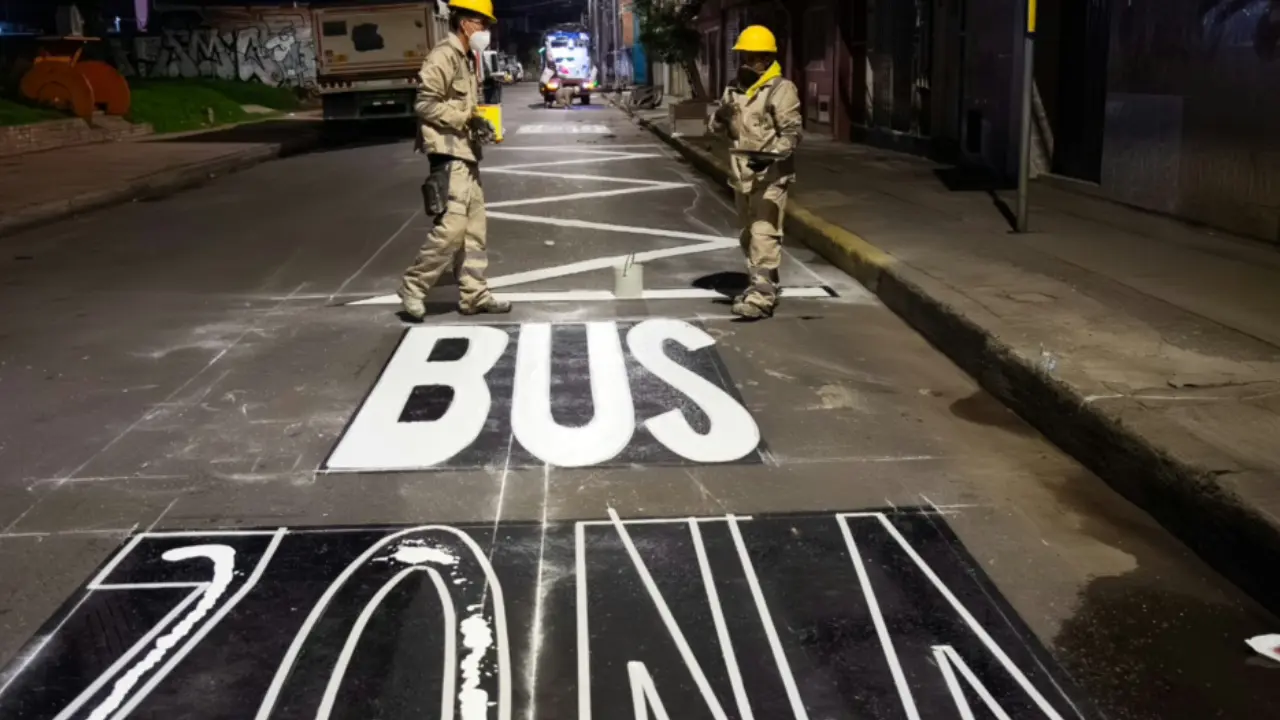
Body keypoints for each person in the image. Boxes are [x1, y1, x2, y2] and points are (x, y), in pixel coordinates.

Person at [399, 0, 510, 319]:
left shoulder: (465, 58)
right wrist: (464, 118)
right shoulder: (443, 56)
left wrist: (479, 123)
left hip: (466, 153)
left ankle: (474, 295)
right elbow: (424, 104)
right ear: (465, 24)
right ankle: (414, 285)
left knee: (475, 231)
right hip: (448, 155)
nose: (485, 31)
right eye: (482, 24)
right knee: (452, 228)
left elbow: (462, 106)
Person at [707, 25, 802, 320]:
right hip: (742, 177)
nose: (747, 62)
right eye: (744, 56)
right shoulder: (733, 90)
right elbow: (715, 129)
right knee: (749, 236)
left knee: (764, 233)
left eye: (754, 57)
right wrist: (720, 118)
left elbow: (792, 133)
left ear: (766, 58)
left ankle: (761, 298)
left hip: (770, 176)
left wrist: (773, 156)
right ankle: (763, 282)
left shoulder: (780, 89)